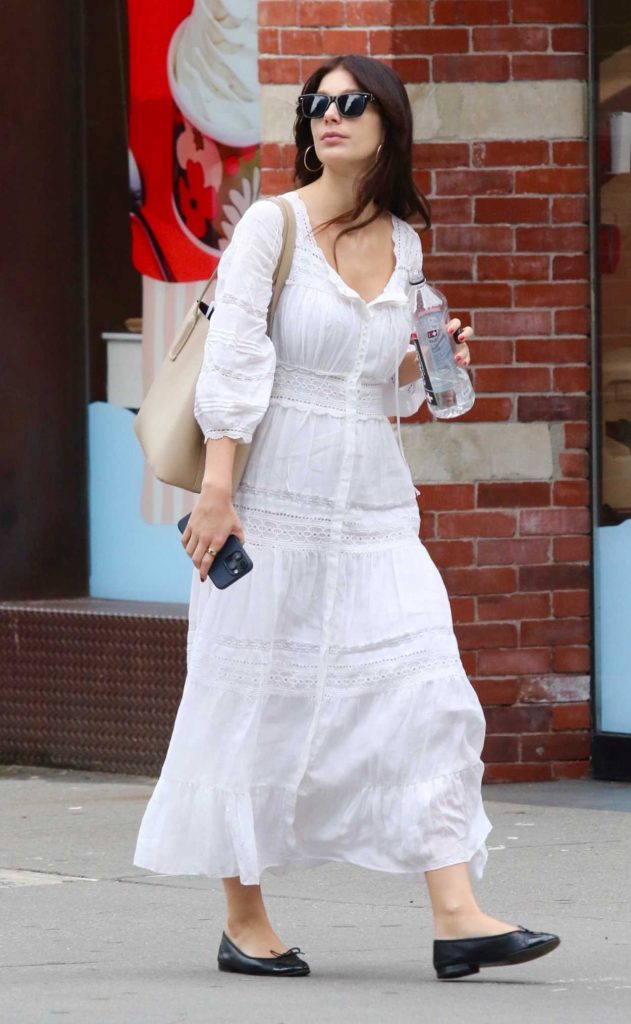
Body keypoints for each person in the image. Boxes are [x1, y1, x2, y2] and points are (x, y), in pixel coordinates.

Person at [133, 53, 561, 981]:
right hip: (267, 499)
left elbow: (386, 392)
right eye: (315, 104)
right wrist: (218, 493)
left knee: (427, 693)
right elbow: (236, 364)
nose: (329, 116)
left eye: (349, 102)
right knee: (252, 700)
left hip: (371, 506)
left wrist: (426, 361)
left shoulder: (405, 242)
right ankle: (244, 920)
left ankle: (457, 914)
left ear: (386, 122)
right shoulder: (271, 229)